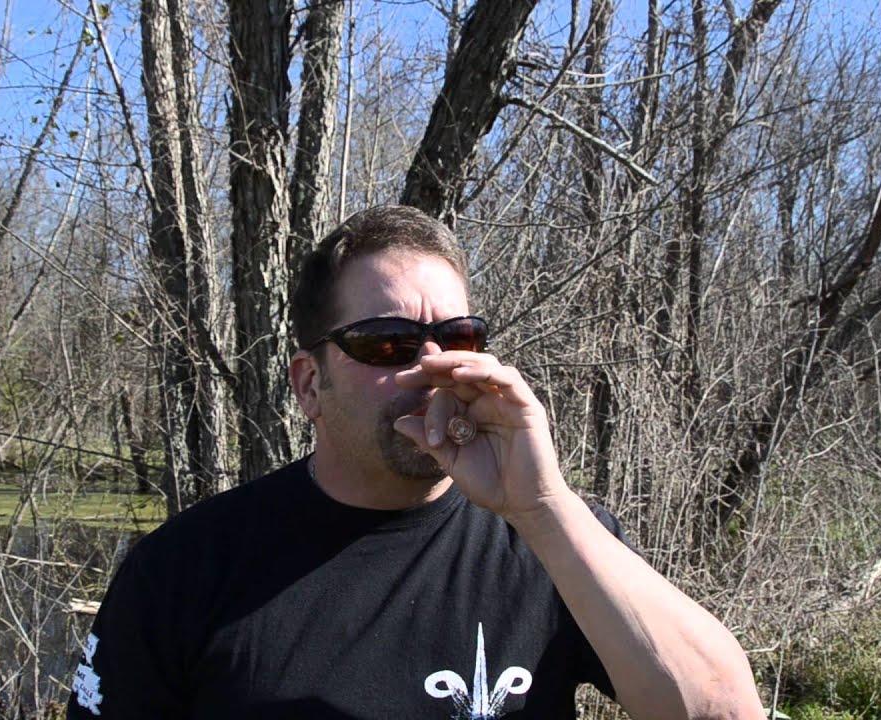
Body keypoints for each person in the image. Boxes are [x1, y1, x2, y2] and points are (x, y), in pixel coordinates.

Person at [66, 205, 764, 719]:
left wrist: (544, 508)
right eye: (387, 343)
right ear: (309, 384)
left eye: (458, 336)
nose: (434, 366)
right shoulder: (183, 571)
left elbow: (724, 713)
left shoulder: (554, 540)